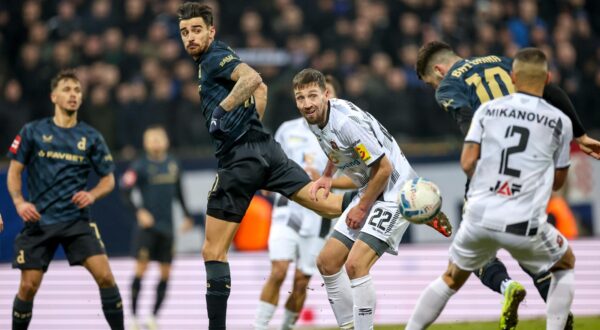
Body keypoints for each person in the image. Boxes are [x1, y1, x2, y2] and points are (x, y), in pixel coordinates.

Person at [176, 3, 346, 329]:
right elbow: (262, 88)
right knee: (328, 207)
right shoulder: (210, 61)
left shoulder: (213, 58)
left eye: (196, 30)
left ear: (211, 31)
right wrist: (250, 125)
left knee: (213, 251)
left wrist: (222, 112)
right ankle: (384, 202)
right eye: (185, 32)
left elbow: (252, 78)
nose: (190, 37)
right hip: (267, 150)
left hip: (238, 159)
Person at [415, 40, 598, 329]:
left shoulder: (450, 85)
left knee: (460, 266)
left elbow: (467, 122)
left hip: (491, 171)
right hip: (531, 167)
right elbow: (550, 90)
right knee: (536, 247)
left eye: (430, 83)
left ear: (438, 70)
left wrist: (479, 156)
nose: (435, 88)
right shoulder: (500, 62)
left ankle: (504, 285)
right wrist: (582, 135)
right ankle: (558, 315)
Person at [292, 68, 452, 329]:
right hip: (371, 186)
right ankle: (349, 326)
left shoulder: (345, 122)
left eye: (312, 96)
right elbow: (334, 147)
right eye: (300, 98)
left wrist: (361, 208)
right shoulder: (315, 118)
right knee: (327, 262)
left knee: (356, 264)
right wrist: (327, 176)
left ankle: (418, 204)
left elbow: (385, 168)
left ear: (326, 94)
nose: (307, 103)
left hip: (394, 190)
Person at [6, 69, 124, 330]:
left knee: (105, 276)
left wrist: (92, 194)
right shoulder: (33, 131)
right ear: (54, 96)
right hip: (40, 221)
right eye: (67, 90)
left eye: (77, 91)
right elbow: (14, 171)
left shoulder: (91, 137)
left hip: (76, 222)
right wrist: (19, 202)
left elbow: (109, 179)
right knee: (28, 287)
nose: (73, 95)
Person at [254, 77, 356, 330]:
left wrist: (326, 181)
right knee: (278, 270)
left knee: (301, 281)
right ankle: (258, 327)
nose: (311, 101)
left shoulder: (344, 133)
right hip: (287, 209)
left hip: (320, 216)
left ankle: (286, 328)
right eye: (305, 96)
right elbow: (271, 164)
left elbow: (356, 178)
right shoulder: (288, 129)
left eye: (321, 93)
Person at [120, 125, 195, 330]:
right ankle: (134, 317)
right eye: (151, 138)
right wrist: (139, 212)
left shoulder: (173, 164)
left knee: (165, 272)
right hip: (147, 230)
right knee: (141, 269)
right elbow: (125, 190)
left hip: (167, 229)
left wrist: (187, 215)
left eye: (159, 138)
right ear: (145, 143)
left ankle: (153, 317)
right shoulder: (139, 166)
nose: (156, 141)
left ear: (166, 141)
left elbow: (179, 192)